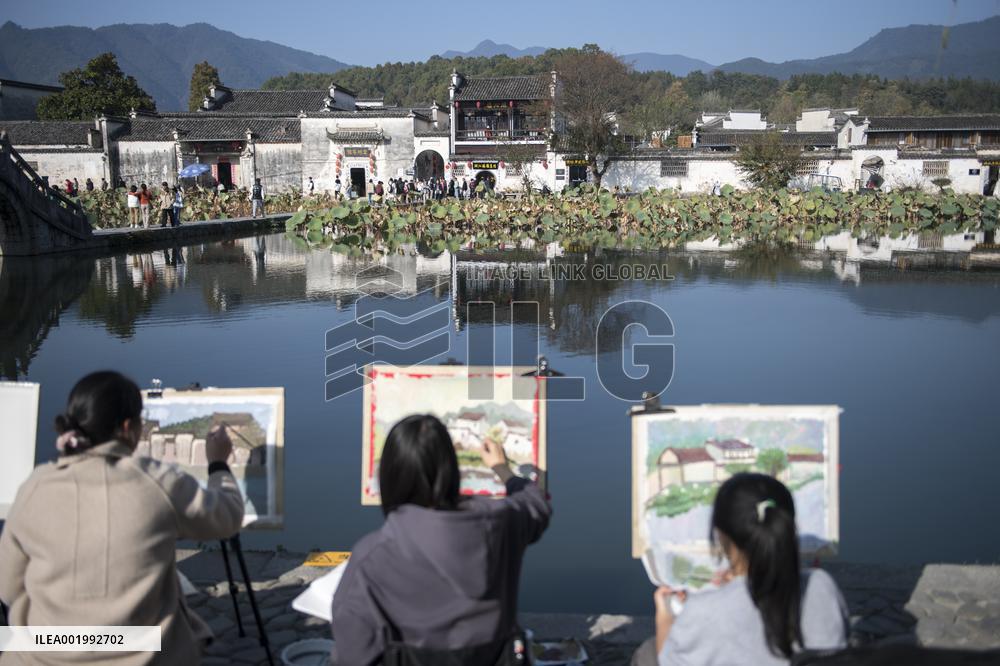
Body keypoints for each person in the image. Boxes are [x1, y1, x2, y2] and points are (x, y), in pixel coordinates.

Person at [0, 371, 244, 666]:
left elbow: (9, 586)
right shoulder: (155, 480)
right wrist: (218, 463)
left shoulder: (35, 486)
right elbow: (227, 517)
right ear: (128, 427)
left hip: (42, 655)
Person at [331, 414, 550, 665]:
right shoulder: (503, 524)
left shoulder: (372, 557)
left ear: (389, 476)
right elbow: (537, 504)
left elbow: (353, 651)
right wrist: (503, 470)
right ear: (452, 470)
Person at [632, 473, 848, 666]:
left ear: (720, 534)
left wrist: (665, 619)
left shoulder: (704, 611)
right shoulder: (821, 586)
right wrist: (736, 587)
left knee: (648, 654)